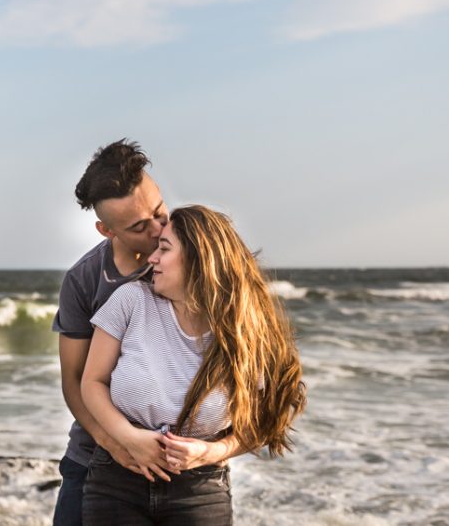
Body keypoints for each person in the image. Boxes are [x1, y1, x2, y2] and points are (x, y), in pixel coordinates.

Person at [80, 205, 307, 525]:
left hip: (200, 491)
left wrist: (209, 453)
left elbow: (262, 422)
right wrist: (128, 437)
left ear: (199, 259)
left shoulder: (245, 331)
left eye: (164, 249)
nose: (152, 258)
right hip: (117, 482)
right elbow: (92, 383)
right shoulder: (130, 300)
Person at [52, 141, 238, 526]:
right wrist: (117, 445)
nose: (157, 231)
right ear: (107, 230)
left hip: (184, 473)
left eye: (158, 212)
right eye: (139, 227)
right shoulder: (85, 281)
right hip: (96, 457)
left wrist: (212, 448)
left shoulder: (192, 261)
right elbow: (75, 381)